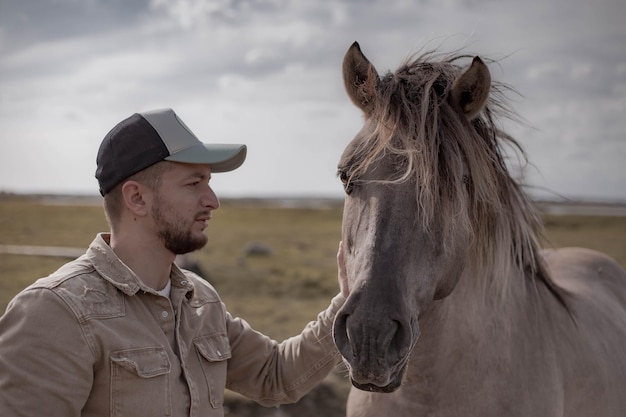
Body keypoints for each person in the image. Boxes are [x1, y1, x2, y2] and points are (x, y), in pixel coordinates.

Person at [0, 108, 348, 417]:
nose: (212, 200)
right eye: (194, 183)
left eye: (208, 183)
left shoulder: (201, 301)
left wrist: (350, 299)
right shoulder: (54, 313)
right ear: (137, 198)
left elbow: (276, 376)